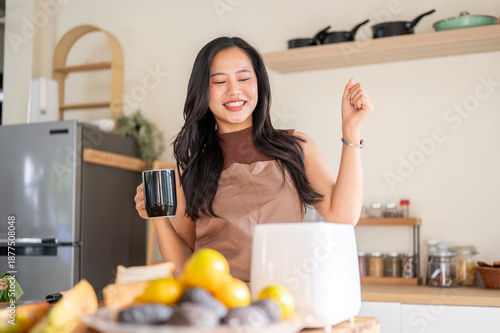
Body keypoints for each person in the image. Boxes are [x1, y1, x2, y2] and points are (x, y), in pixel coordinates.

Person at [135, 36, 374, 281]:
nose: (234, 90)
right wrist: (158, 219)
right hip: (219, 306)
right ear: (203, 92)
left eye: (244, 78)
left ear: (259, 83)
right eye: (219, 81)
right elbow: (185, 267)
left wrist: (351, 130)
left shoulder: (295, 148)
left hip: (285, 302)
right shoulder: (193, 166)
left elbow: (343, 216)